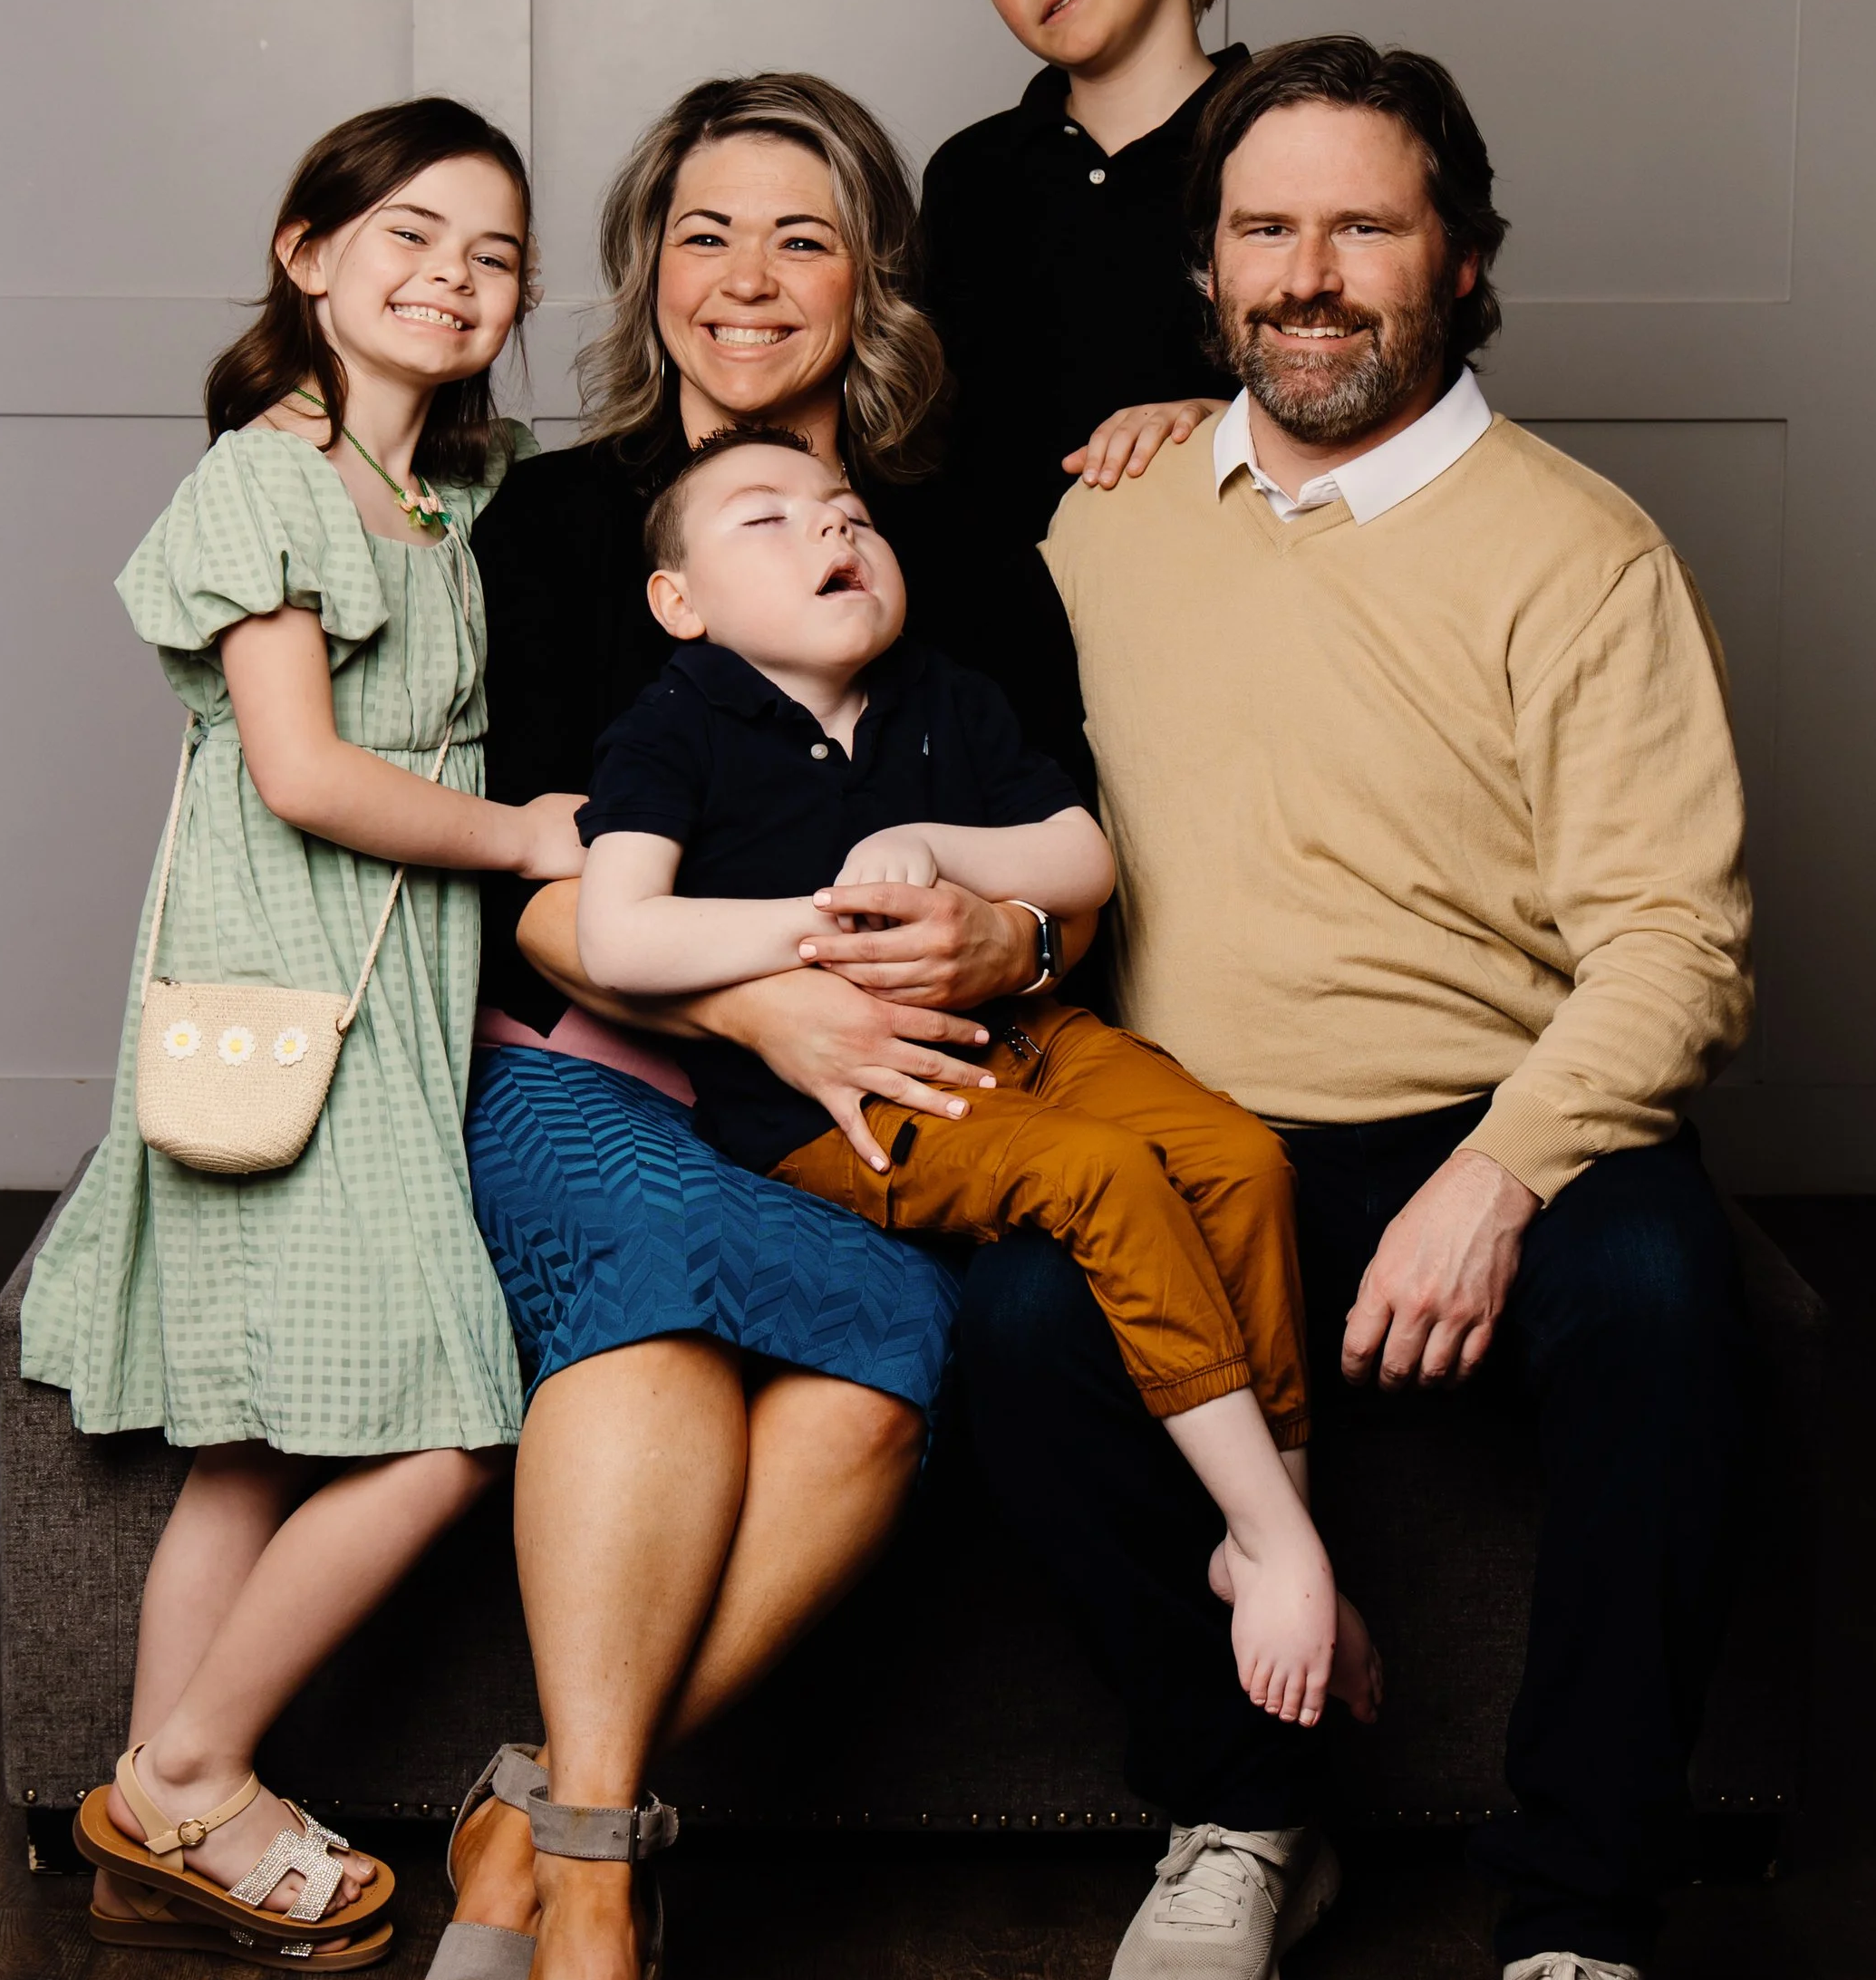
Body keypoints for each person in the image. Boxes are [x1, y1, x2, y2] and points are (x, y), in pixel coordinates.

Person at [1022, 34, 1755, 1980]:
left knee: (1670, 1317)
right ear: (1210, 267)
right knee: (1001, 1340)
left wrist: (1501, 1173)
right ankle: (1244, 1807)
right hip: (1201, 1140)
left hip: (1502, 1114)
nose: (1312, 274)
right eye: (1267, 228)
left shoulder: (1578, 551)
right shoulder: (1114, 511)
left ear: (1462, 259)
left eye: (1366, 224)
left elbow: (1675, 940)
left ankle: (1578, 1930)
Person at [423, 74, 1059, 1980]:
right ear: (649, 267)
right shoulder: (552, 524)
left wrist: (1004, 924)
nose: (747, 280)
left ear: (868, 271)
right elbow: (523, 874)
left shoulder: (950, 537)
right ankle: (599, 1896)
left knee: (888, 1358)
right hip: (599, 1065)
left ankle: (525, 1816)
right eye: (706, 232)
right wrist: (747, 989)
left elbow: (1063, 840)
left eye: (801, 235)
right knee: (647, 1309)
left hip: (847, 1115)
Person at [572, 424, 1381, 1738]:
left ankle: (1273, 1523)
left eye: (848, 512)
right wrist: (828, 922)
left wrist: (930, 846)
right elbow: (617, 935)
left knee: (1242, 1156)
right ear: (682, 604)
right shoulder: (673, 730)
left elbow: (1082, 857)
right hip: (859, 1103)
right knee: (1102, 1178)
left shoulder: (945, 694)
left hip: (1027, 1028)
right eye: (768, 521)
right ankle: (1276, 1542)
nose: (835, 530)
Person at [21, 99, 583, 1969]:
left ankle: (142, 1833)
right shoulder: (265, 481)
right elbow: (301, 770)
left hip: (394, 1004)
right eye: (409, 233)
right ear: (306, 250)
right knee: (447, 1429)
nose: (452, 277)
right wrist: (520, 836)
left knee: (251, 1449)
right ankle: (189, 1781)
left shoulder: (453, 493)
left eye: (493, 253)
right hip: (291, 1008)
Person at [910, 0, 1245, 543]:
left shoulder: (1292, 144)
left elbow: (1392, 411)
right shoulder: (968, 176)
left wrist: (1236, 425)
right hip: (998, 636)